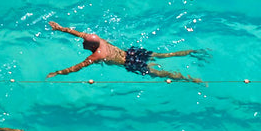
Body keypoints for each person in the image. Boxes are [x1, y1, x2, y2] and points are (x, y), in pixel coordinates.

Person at [46, 21, 206, 83]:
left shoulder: (97, 55)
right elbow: (78, 33)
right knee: (163, 55)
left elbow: (78, 67)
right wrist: (60, 28)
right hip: (131, 53)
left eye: (85, 43)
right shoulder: (98, 40)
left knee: (157, 73)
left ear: (91, 47)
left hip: (130, 62)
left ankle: (190, 79)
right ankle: (192, 51)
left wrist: (58, 73)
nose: (82, 41)